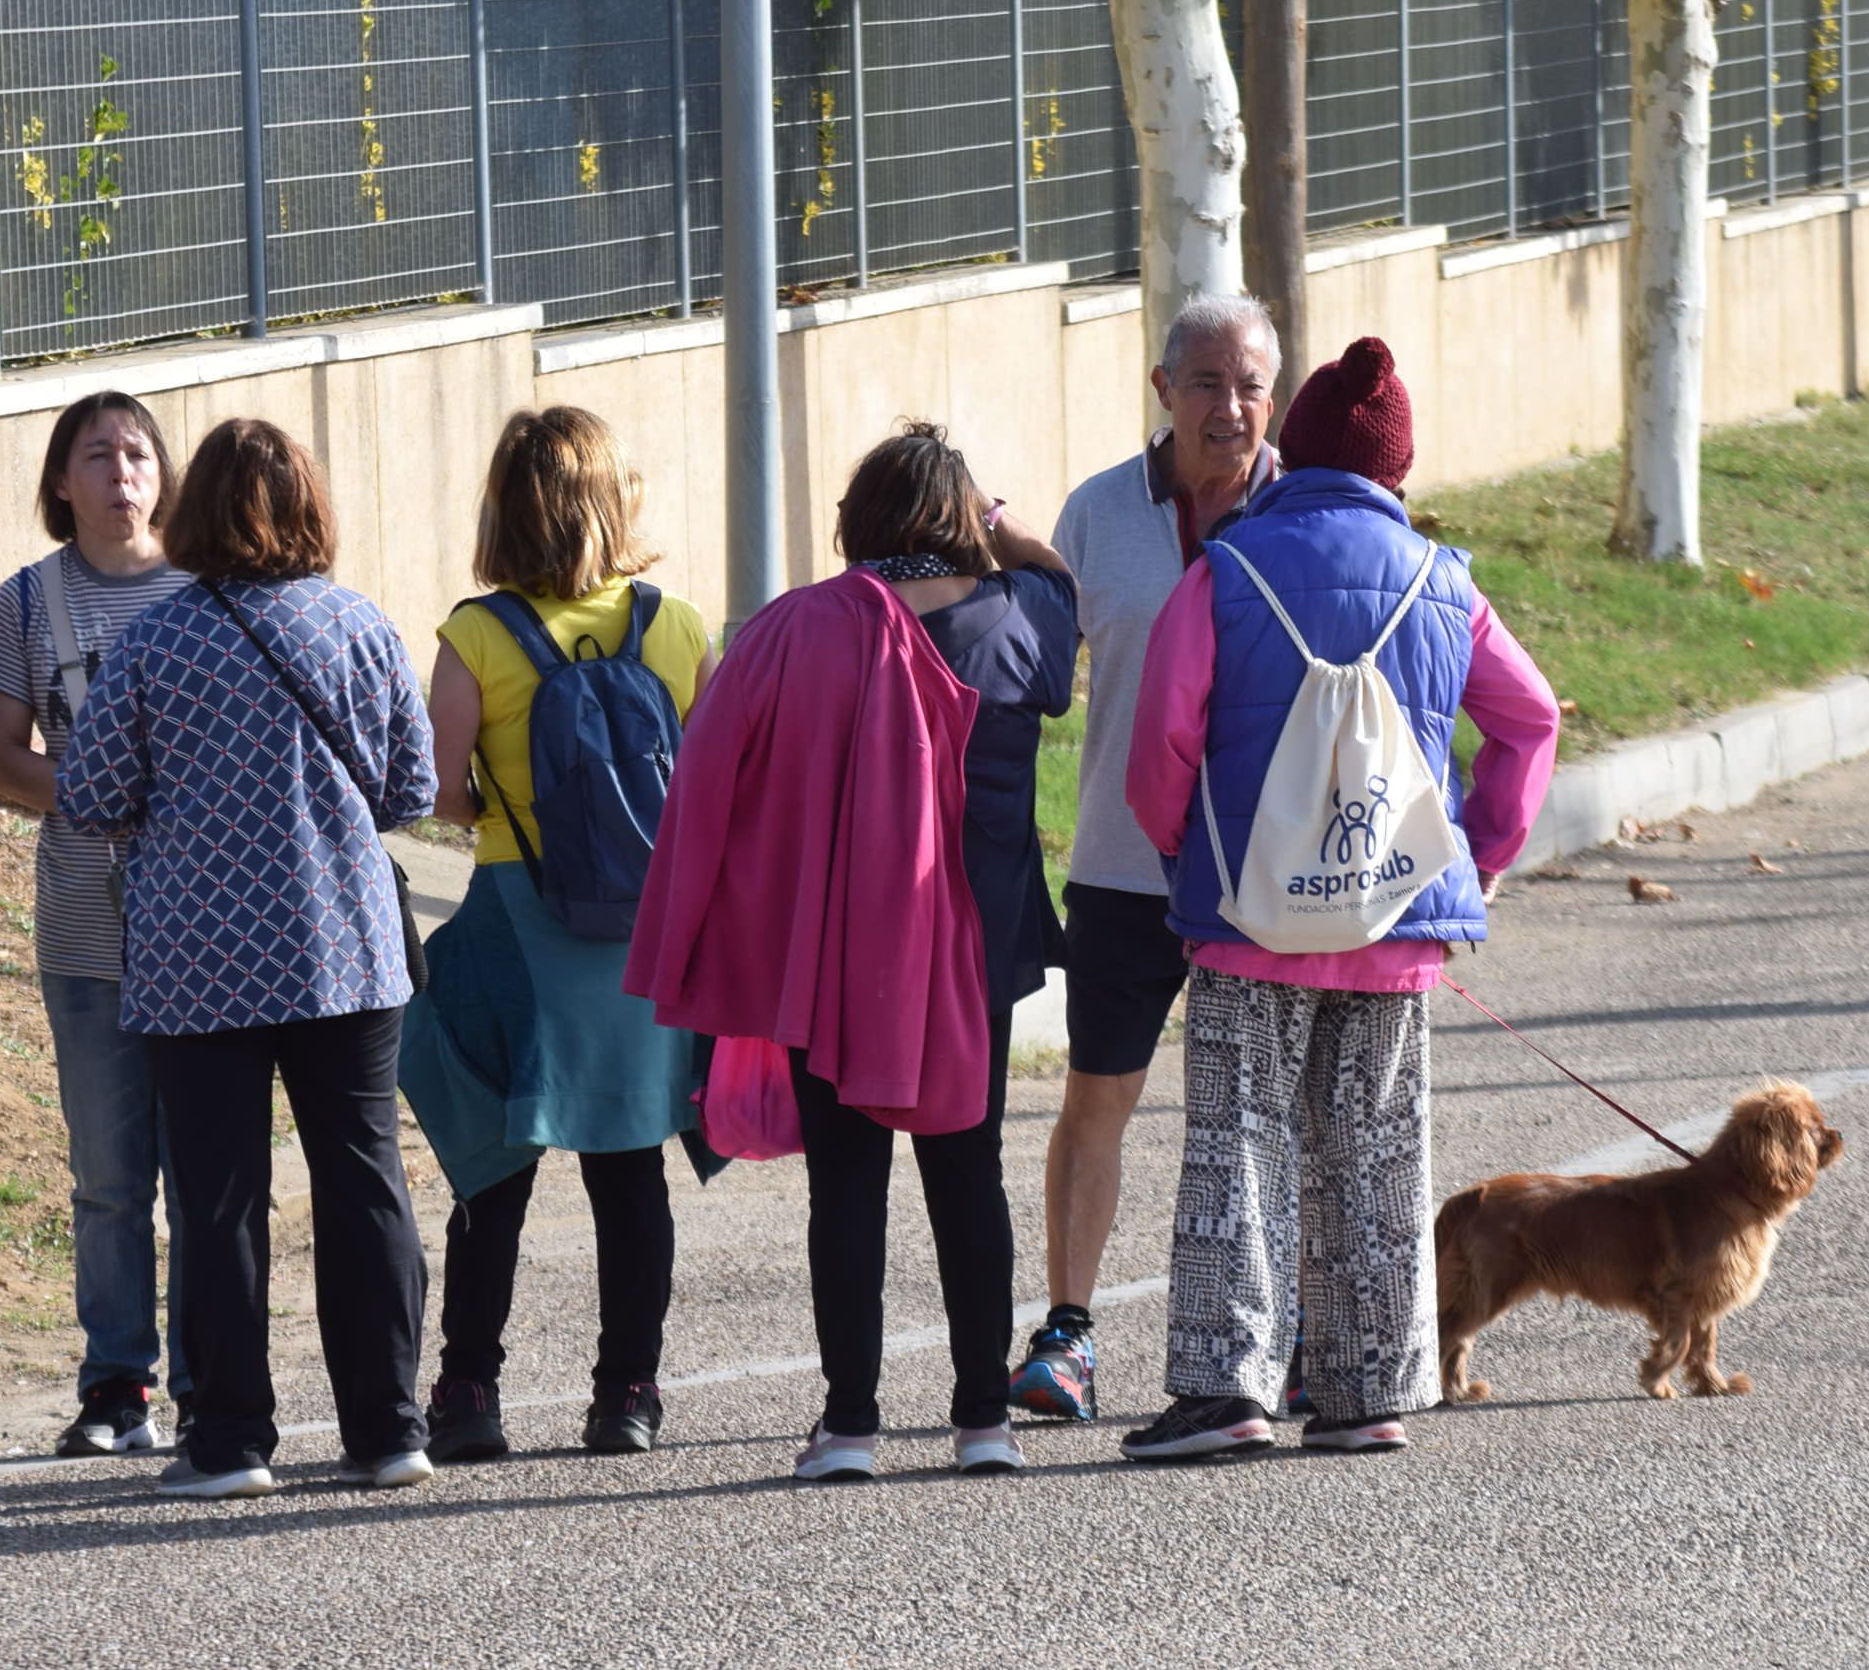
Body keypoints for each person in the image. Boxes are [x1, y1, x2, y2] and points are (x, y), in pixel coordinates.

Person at [1116, 338, 1560, 1460]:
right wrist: (1484, 848)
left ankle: (1228, 1389)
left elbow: (1158, 746)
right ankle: (1367, 1388)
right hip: (1395, 918)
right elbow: (1530, 718)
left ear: (1293, 448)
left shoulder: (1224, 572)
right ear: (1394, 471)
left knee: (1237, 1145)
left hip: (1248, 920)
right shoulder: (1444, 581)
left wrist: (1196, 859)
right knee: (1376, 1152)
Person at [626, 422, 1073, 1482]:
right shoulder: (1021, 622)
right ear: (967, 525)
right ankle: (981, 1420)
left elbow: (708, 779)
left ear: (852, 525)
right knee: (969, 1175)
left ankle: (851, 1425)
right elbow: (1061, 576)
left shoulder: (792, 629)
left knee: (847, 1184)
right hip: (977, 948)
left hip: (831, 947)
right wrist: (993, 521)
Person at [56, 417, 438, 1500]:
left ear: (194, 509)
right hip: (345, 949)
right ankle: (387, 1426)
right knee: (363, 1177)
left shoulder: (155, 641)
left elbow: (88, 795)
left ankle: (230, 1438)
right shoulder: (359, 625)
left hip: (195, 958)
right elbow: (411, 789)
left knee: (218, 1197)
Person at [399, 406, 716, 1462]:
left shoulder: (474, 635)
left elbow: (442, 790)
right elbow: (708, 784)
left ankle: (468, 1388)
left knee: (494, 1174)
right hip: (641, 929)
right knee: (631, 1174)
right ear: (611, 497)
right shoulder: (676, 626)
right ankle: (625, 1387)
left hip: (518, 918)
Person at [1016, 294, 1285, 1422]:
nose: (1231, 409)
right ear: (1160, 388)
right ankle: (1066, 1336)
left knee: (1267, 1109)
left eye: (1252, 385)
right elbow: (1030, 665)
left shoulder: (1304, 508)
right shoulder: (1096, 513)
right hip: (1125, 866)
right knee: (1099, 1093)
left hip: (1265, 877)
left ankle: (1285, 1331)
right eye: (1209, 384)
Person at [0, 391, 194, 1458]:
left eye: (137, 452)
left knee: (205, 1172)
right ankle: (117, 1384)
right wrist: (92, 793)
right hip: (85, 934)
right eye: (95, 453)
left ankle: (212, 1376)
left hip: (209, 939)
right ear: (62, 480)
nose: (120, 471)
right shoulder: (26, 601)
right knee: (110, 1174)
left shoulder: (210, 589)